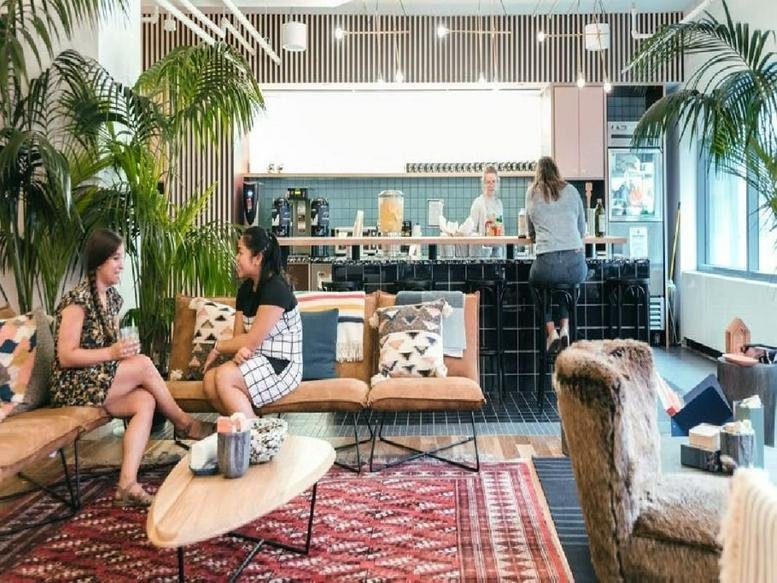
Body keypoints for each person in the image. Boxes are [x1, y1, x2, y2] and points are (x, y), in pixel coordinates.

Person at [51, 229, 212, 508]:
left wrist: (123, 352)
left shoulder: (111, 298)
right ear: (99, 261)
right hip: (71, 384)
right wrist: (113, 353)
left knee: (144, 401)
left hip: (98, 380)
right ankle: (185, 424)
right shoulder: (78, 300)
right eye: (115, 258)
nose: (121, 265)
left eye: (122, 258)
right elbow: (65, 356)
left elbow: (110, 347)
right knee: (145, 365)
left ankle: (127, 485)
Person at [202, 226, 302, 418]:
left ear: (257, 258)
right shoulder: (245, 290)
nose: (236, 258)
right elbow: (239, 338)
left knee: (224, 376)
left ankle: (253, 432)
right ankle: (250, 425)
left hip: (282, 365)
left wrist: (218, 347)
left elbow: (251, 341)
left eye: (240, 252)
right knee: (209, 382)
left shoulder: (276, 289)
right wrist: (240, 351)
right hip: (256, 358)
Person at [525, 156, 588, 352]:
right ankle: (565, 328)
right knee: (566, 285)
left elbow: (531, 232)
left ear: (538, 173)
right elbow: (582, 229)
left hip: (547, 266)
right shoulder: (572, 191)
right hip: (575, 264)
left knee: (535, 283)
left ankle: (551, 331)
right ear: (557, 171)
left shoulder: (532, 193)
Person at [468, 164, 505, 258]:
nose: (491, 185)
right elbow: (470, 231)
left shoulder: (499, 204)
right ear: (483, 184)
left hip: (497, 253)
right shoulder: (478, 203)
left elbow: (501, 227)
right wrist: (483, 238)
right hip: (482, 255)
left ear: (497, 183)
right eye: (488, 182)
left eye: (493, 181)